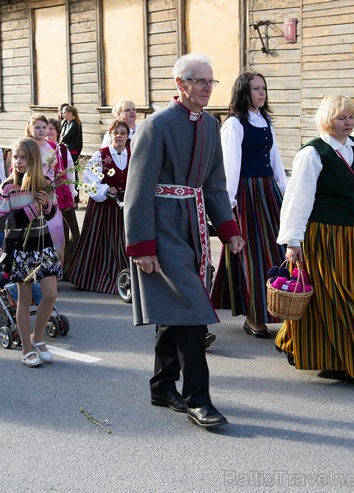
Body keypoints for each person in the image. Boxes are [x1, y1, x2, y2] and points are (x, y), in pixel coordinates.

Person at [124, 53, 245, 428]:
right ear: (180, 83)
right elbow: (137, 189)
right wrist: (142, 246)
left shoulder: (211, 125)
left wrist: (229, 229)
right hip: (162, 229)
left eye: (212, 82)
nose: (208, 88)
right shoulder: (155, 126)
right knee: (192, 310)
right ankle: (198, 397)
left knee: (175, 307)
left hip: (193, 225)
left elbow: (215, 184)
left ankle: (162, 385)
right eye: (200, 81)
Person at [276, 94, 354, 388]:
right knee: (337, 298)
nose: (348, 123)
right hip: (321, 235)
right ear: (327, 120)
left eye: (350, 117)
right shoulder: (312, 154)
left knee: (336, 296)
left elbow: (352, 185)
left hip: (348, 237)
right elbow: (297, 200)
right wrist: (293, 240)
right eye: (341, 118)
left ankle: (298, 345)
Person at [211, 71, 288, 338]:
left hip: (268, 191)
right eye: (256, 88)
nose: (262, 93)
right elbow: (229, 166)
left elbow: (275, 157)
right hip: (247, 195)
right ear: (244, 92)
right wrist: (229, 205)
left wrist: (284, 190)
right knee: (253, 254)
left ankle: (281, 307)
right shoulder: (234, 124)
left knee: (279, 249)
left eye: (264, 88)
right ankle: (254, 315)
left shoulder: (264, 119)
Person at [0, 138, 61, 367]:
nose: (18, 161)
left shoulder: (46, 183)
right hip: (20, 248)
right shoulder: (8, 187)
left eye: (23, 157)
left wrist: (47, 206)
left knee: (50, 294)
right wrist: (31, 210)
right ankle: (25, 348)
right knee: (25, 299)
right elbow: (0, 222)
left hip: (42, 245)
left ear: (33, 159)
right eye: (15, 157)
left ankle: (38, 338)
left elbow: (52, 214)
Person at [68, 120, 130, 293]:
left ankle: (123, 279)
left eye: (122, 133)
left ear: (127, 136)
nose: (119, 136)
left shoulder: (132, 155)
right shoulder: (101, 155)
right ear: (110, 135)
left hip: (124, 207)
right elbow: (88, 181)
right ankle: (94, 279)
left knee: (122, 243)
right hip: (103, 208)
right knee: (100, 243)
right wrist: (104, 189)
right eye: (115, 133)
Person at [26, 115, 70, 261]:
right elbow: (19, 170)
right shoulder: (26, 145)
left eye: (44, 127)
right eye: (37, 127)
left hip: (51, 193)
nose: (41, 130)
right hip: (32, 192)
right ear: (29, 128)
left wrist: (64, 193)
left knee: (55, 230)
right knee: (36, 232)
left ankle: (54, 270)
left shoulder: (52, 146)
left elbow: (60, 171)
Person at [47, 118, 80, 275]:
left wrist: (72, 194)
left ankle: (68, 269)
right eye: (46, 128)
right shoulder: (39, 149)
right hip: (48, 197)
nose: (49, 131)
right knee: (53, 233)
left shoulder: (63, 150)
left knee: (69, 233)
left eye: (52, 128)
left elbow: (70, 173)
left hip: (63, 194)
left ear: (58, 131)